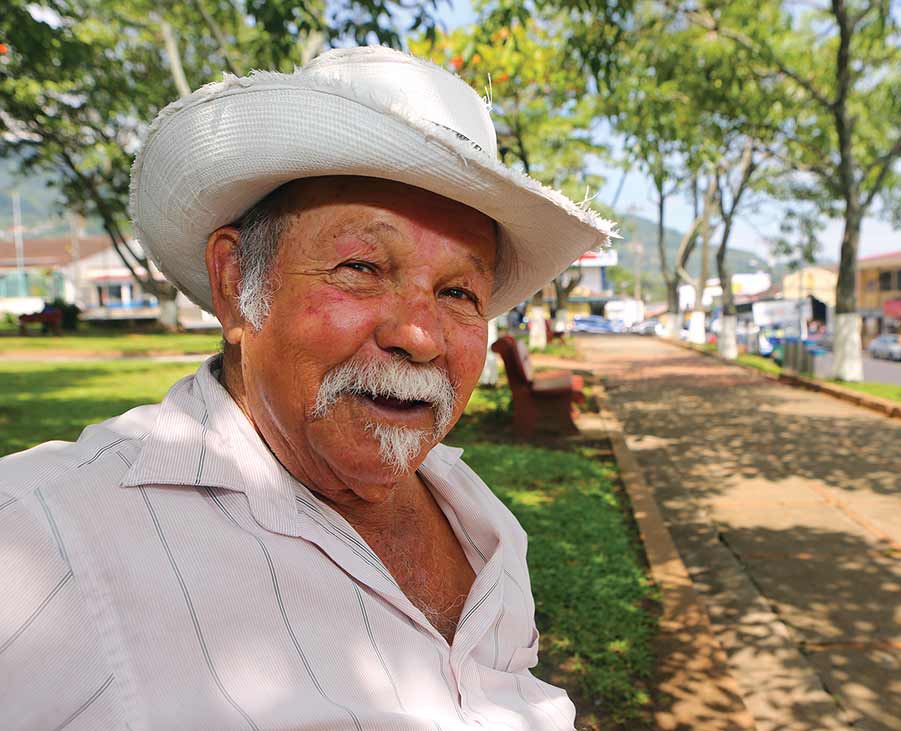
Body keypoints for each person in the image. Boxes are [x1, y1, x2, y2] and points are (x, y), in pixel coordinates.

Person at [0, 47, 613, 730]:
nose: (422, 335)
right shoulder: (41, 542)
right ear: (236, 285)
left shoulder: (480, 517)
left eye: (459, 291)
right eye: (361, 265)